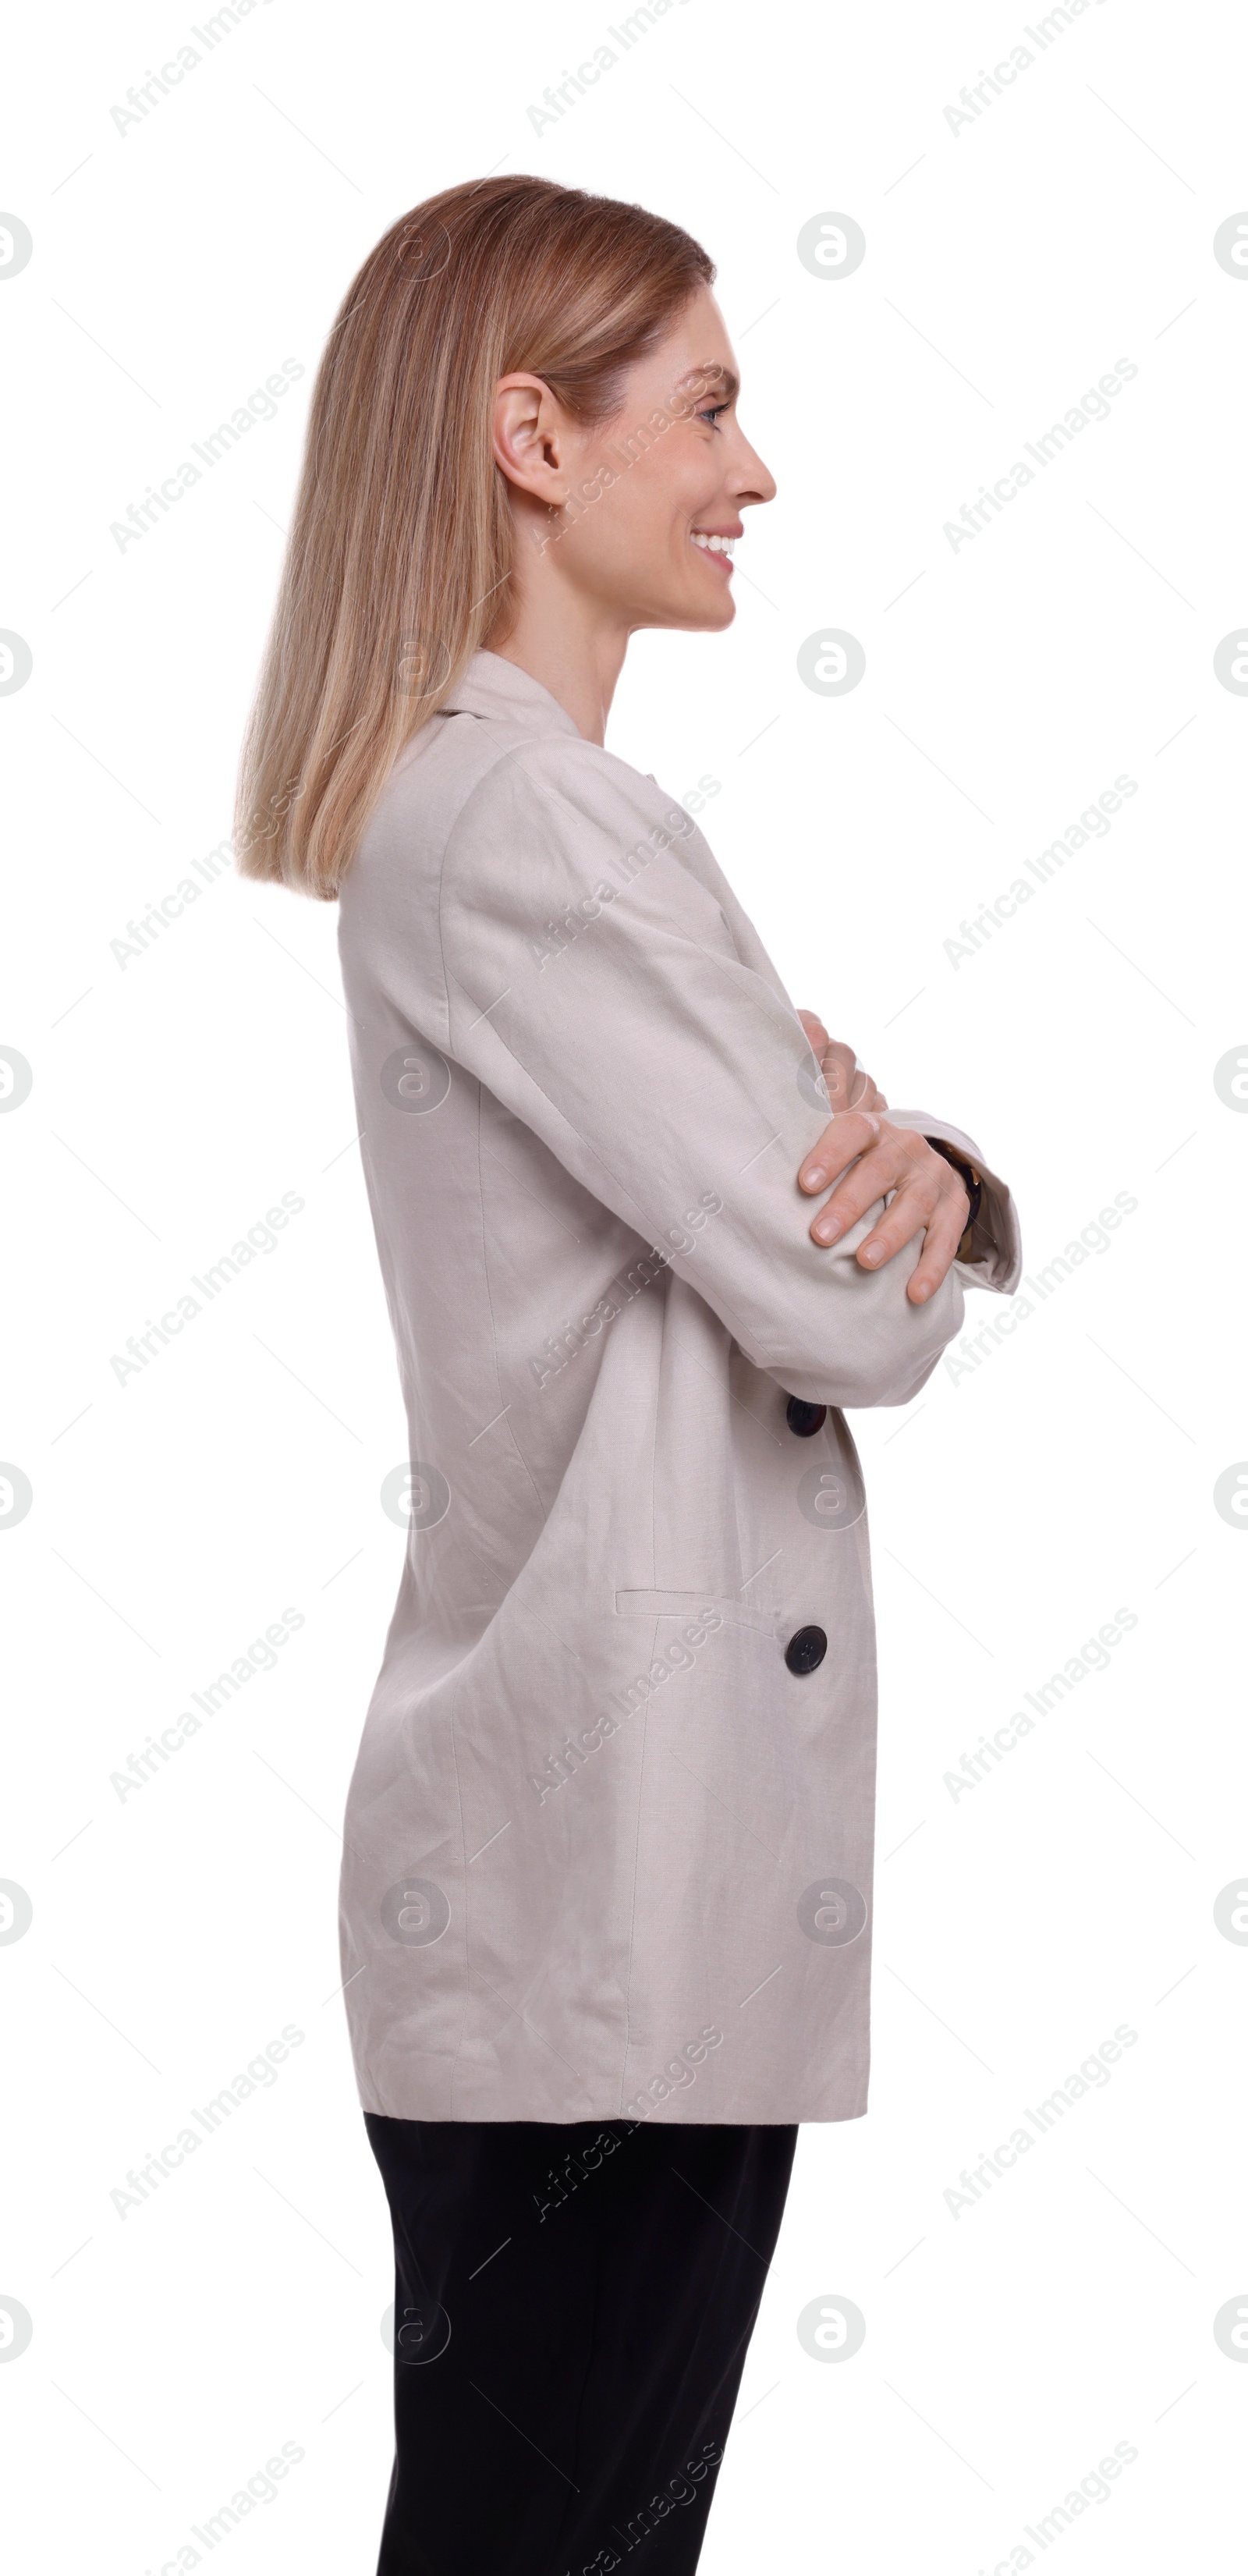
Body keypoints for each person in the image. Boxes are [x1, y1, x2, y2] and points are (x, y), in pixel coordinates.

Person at [236, 175, 1020, 2576]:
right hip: (598, 1893)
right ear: (529, 439)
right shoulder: (530, 825)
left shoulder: (490, 820)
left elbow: (837, 1218)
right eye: (704, 406)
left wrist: (923, 1173)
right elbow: (847, 1301)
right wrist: (910, 1202)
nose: (751, 471)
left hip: (596, 1884)